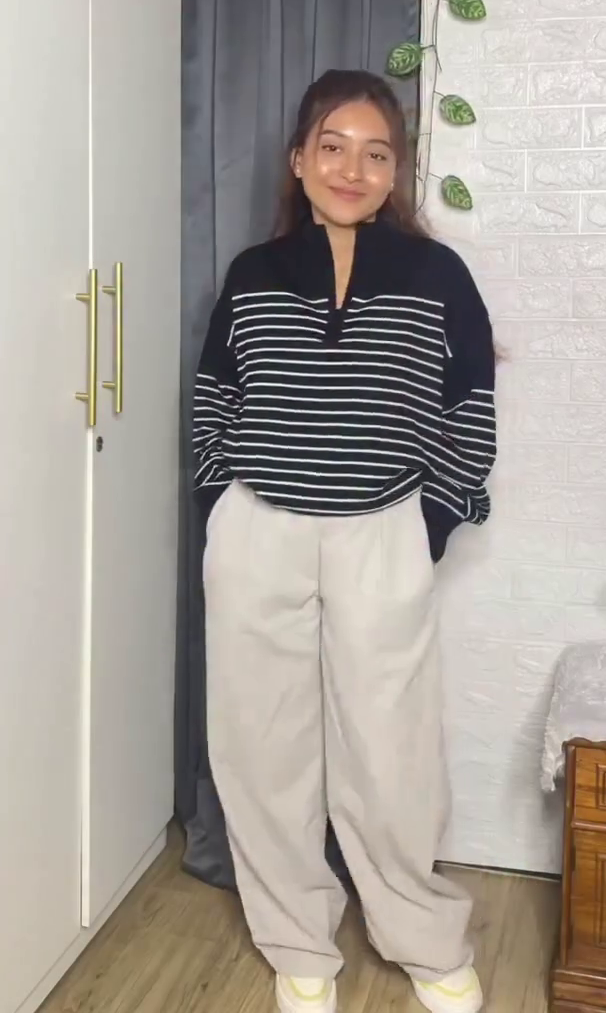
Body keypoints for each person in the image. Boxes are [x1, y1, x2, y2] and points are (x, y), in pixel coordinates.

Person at [193, 69, 496, 1013]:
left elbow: (471, 405)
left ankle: (422, 934)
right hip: (260, 532)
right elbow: (213, 398)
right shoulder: (252, 272)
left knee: (390, 747)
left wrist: (432, 521)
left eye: (376, 153)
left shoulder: (438, 276)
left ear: (396, 171)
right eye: (332, 147)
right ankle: (297, 941)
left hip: (381, 531)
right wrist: (219, 503)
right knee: (263, 745)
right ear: (299, 158)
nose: (351, 170)